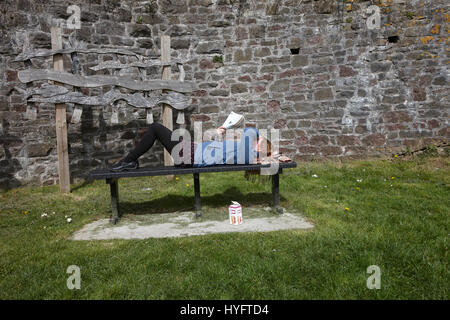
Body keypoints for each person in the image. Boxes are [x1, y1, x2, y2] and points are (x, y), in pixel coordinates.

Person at [109, 122, 269, 171]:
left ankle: (128, 160)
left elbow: (250, 130)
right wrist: (219, 136)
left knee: (156, 129)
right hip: (191, 151)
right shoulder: (242, 152)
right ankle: (129, 161)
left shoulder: (247, 156)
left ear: (259, 150)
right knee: (156, 130)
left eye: (258, 142)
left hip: (189, 154)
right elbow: (219, 153)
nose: (256, 141)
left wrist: (259, 136)